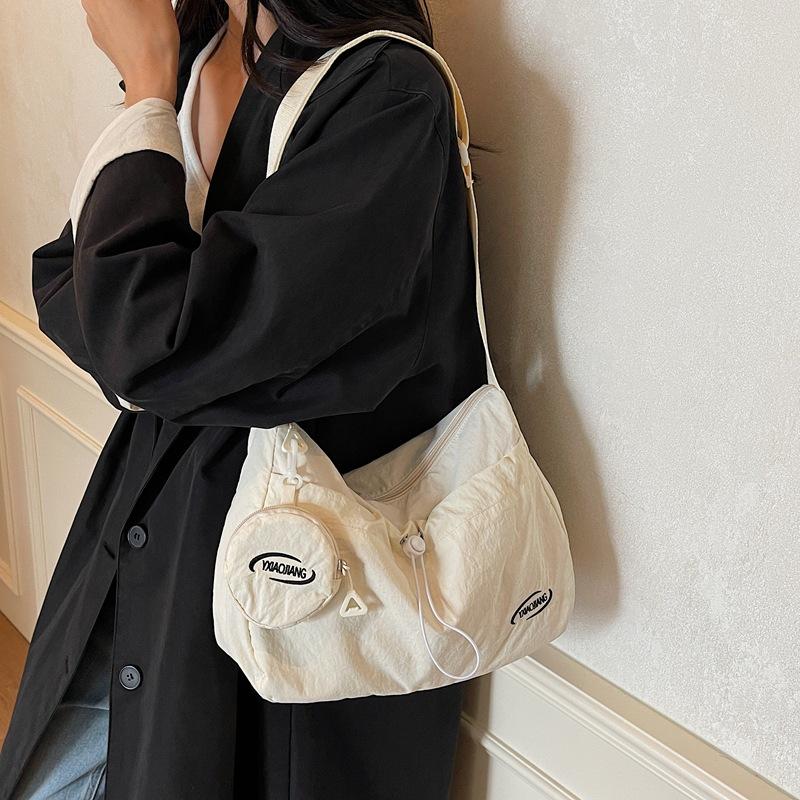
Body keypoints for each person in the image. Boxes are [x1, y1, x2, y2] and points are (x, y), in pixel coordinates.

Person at [0, 0, 488, 797]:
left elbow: (141, 332)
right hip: (145, 538)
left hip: (291, 598)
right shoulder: (199, 46)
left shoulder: (388, 95)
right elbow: (73, 281)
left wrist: (147, 82)